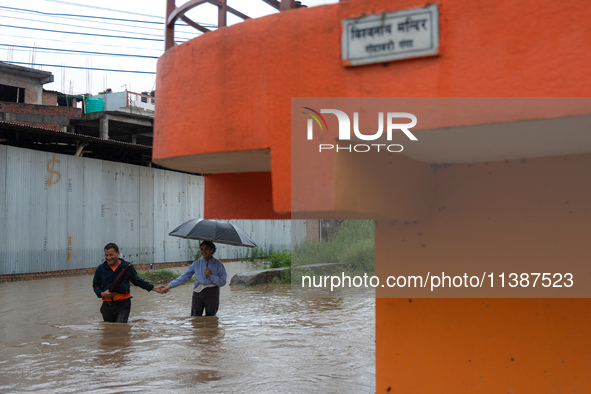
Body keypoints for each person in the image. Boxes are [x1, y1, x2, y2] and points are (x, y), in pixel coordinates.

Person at [93, 242, 165, 323]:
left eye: (111, 255)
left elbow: (137, 281)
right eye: (106, 255)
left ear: (118, 253)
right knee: (109, 331)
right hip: (107, 305)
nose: (109, 258)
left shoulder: (126, 267)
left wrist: (154, 288)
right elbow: (96, 285)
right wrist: (102, 294)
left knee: (120, 328)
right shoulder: (101, 269)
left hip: (123, 304)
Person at [163, 241, 227, 316]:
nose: (203, 252)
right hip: (198, 293)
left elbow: (222, 282)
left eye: (206, 249)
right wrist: (170, 285)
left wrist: (210, 275)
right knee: (195, 318)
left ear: (212, 250)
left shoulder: (218, 265)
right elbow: (184, 277)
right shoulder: (196, 264)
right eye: (201, 249)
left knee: (211, 319)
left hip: (212, 294)